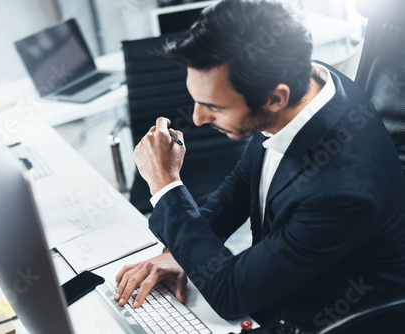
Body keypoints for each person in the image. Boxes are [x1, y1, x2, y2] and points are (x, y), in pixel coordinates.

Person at [114, 0, 405, 332]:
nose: (197, 118)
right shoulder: (309, 85)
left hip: (331, 315)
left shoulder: (341, 192)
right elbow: (242, 182)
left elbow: (230, 294)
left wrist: (164, 184)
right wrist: (185, 253)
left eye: (213, 106)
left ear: (275, 99)